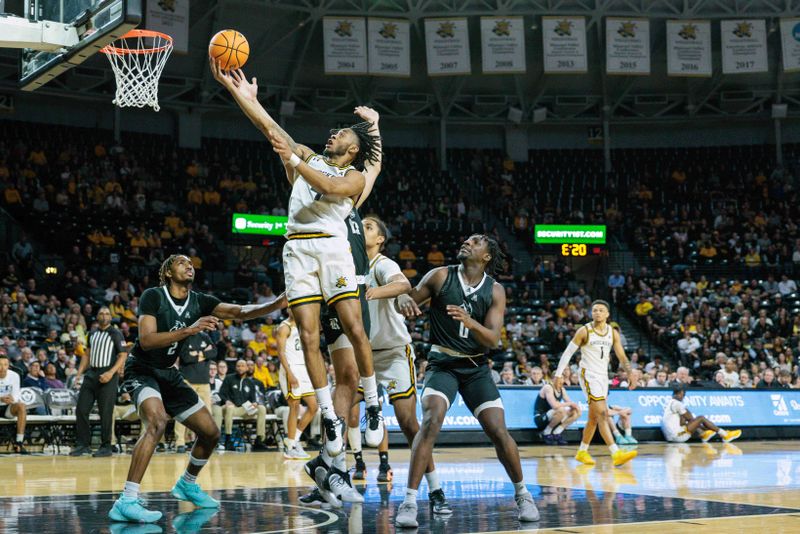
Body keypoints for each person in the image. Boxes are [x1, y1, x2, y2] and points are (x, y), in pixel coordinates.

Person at [211, 62, 385, 476]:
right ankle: (326, 416)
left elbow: (330, 185)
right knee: (307, 334)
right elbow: (270, 127)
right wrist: (243, 96)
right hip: (297, 251)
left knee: (354, 330)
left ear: (354, 148)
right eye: (335, 131)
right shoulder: (309, 156)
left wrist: (369, 129)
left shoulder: (355, 177)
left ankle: (373, 401)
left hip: (333, 253)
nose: (333, 134)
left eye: (342, 133)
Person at [109, 254, 286, 523]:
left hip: (168, 373)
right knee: (157, 422)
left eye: (191, 262)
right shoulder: (153, 296)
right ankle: (127, 499)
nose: (189, 265)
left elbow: (238, 312)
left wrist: (276, 303)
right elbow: (146, 340)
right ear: (168, 272)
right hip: (142, 369)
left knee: (211, 433)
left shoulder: (200, 301)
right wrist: (189, 331)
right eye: (181, 262)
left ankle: (187, 484)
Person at [393, 234, 539, 528]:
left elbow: (494, 340)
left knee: (498, 430)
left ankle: (523, 494)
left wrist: (469, 321)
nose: (466, 243)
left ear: (486, 256)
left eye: (475, 243)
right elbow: (406, 303)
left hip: (475, 368)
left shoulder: (495, 291)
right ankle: (409, 501)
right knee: (431, 421)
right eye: (467, 240)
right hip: (442, 364)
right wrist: (402, 298)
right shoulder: (440, 275)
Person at [345, 216, 450, 513]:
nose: (362, 229)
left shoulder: (382, 263)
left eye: (369, 227)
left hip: (392, 352)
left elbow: (402, 282)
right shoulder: (349, 263)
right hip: (360, 353)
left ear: (380, 239)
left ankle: (436, 488)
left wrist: (383, 293)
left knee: (409, 423)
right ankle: (337, 476)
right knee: (340, 413)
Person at [553, 300, 637, 467]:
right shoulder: (584, 331)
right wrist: (558, 374)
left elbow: (621, 356)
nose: (597, 313)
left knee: (593, 418)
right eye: (595, 310)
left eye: (601, 310)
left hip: (602, 377)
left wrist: (630, 373)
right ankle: (616, 453)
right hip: (588, 375)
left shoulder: (612, 333)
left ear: (607, 314)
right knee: (603, 414)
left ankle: (582, 452)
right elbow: (568, 352)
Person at [71, 307, 128, 457]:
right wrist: (78, 373)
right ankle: (83, 444)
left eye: (107, 313)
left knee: (106, 412)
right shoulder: (92, 333)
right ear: (97, 316)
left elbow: (122, 355)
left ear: (111, 317)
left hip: (108, 375)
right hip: (91, 375)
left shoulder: (116, 333)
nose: (104, 316)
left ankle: (106, 446)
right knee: (81, 409)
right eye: (101, 313)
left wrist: (111, 373)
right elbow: (87, 355)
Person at [275, 309, 317, 460]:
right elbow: (280, 353)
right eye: (290, 307)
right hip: (290, 368)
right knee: (295, 407)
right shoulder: (284, 327)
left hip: (304, 368)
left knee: (313, 406)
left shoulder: (302, 325)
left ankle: (294, 440)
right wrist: (290, 374)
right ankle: (290, 448)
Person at [174, 332, 217, 454]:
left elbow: (214, 352)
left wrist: (196, 354)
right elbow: (186, 357)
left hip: (204, 381)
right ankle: (180, 442)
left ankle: (206, 442)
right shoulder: (183, 337)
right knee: (183, 412)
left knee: (207, 414)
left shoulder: (205, 337)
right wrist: (204, 353)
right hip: (188, 380)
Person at [662, 385, 741, 443]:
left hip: (670, 437)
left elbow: (682, 422)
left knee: (688, 420)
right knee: (701, 418)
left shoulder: (668, 403)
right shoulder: (677, 403)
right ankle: (725, 435)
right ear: (679, 394)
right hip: (676, 437)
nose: (682, 397)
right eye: (683, 395)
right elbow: (690, 418)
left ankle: (703, 433)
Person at [219, 359, 269, 451]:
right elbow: (221, 393)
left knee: (261, 408)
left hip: (245, 409)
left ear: (246, 368)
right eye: (238, 366)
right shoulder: (229, 378)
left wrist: (254, 403)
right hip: (232, 409)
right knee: (229, 408)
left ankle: (259, 440)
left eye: (242, 366)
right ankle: (228, 440)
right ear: (235, 367)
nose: (240, 368)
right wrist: (226, 401)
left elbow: (253, 398)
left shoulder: (250, 382)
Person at [0, 354, 27, 453]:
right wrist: (1, 399)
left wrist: (12, 400)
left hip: (8, 407)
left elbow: (16, 395)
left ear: (8, 366)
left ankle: (19, 442)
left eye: (5, 364)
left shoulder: (14, 375)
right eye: (0, 364)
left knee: (21, 406)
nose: (2, 367)